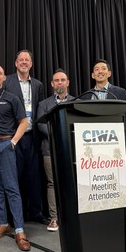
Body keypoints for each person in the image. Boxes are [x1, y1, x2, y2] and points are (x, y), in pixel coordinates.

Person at [0, 65, 31, 251]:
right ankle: (3, 223)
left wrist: (14, 142)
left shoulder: (11, 98)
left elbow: (24, 121)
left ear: (4, 78)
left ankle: (19, 230)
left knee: (11, 188)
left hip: (5, 145)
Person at [4, 49, 46, 224]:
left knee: (34, 177)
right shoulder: (7, 82)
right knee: (15, 177)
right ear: (16, 63)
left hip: (33, 138)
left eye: (27, 60)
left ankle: (36, 213)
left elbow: (42, 109)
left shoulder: (37, 85)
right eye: (20, 60)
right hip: (14, 137)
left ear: (31, 64)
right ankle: (16, 217)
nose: (23, 62)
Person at [37, 69, 74, 232]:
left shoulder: (75, 102)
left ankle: (71, 216)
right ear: (52, 84)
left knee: (71, 183)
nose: (60, 83)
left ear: (68, 83)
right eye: (56, 80)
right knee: (52, 184)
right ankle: (54, 218)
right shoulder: (43, 104)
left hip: (71, 151)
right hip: (49, 150)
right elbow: (41, 125)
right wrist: (60, 135)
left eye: (62, 80)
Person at [82, 59, 126, 142]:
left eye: (103, 68)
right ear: (93, 75)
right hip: (92, 140)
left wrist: (123, 140)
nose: (100, 71)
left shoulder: (120, 93)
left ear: (109, 73)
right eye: (96, 69)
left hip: (114, 139)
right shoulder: (86, 96)